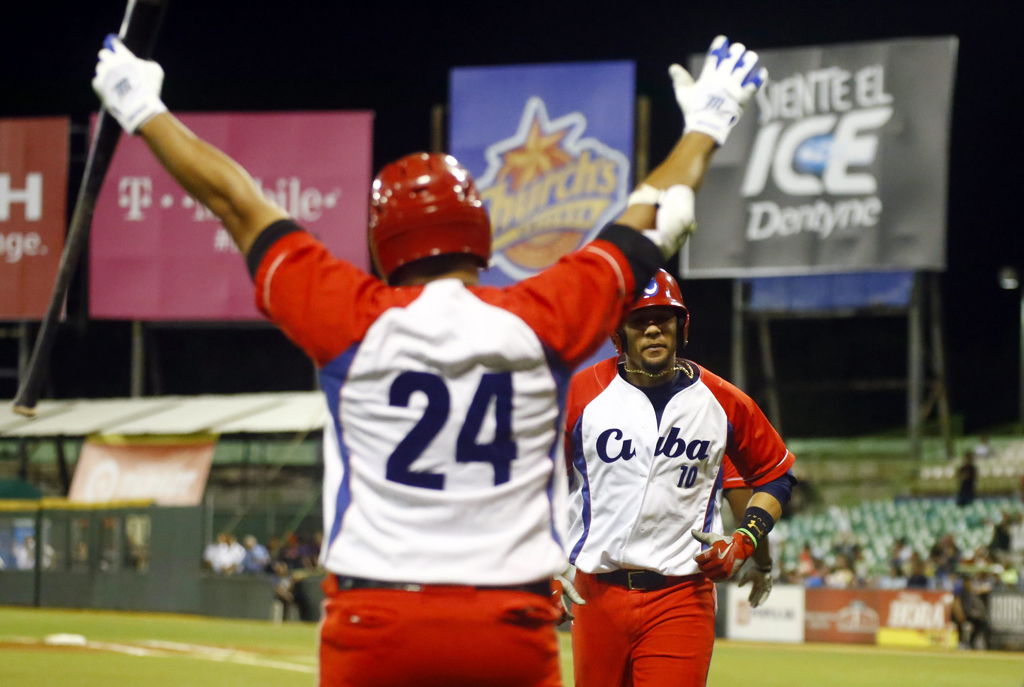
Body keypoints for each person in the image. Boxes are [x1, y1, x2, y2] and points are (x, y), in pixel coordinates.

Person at [92, 32, 764, 687]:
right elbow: (649, 216)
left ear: (385, 244)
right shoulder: (543, 315)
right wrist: (706, 122)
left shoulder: (349, 316)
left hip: (376, 616)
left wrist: (142, 111)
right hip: (507, 621)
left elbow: (236, 201)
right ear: (480, 234)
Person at [564, 269, 795, 687]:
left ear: (681, 326)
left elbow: (774, 475)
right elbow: (535, 479)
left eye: (664, 318)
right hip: (596, 594)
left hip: (681, 596)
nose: (653, 328)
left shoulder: (721, 401)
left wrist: (745, 543)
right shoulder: (581, 394)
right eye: (639, 319)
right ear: (619, 332)